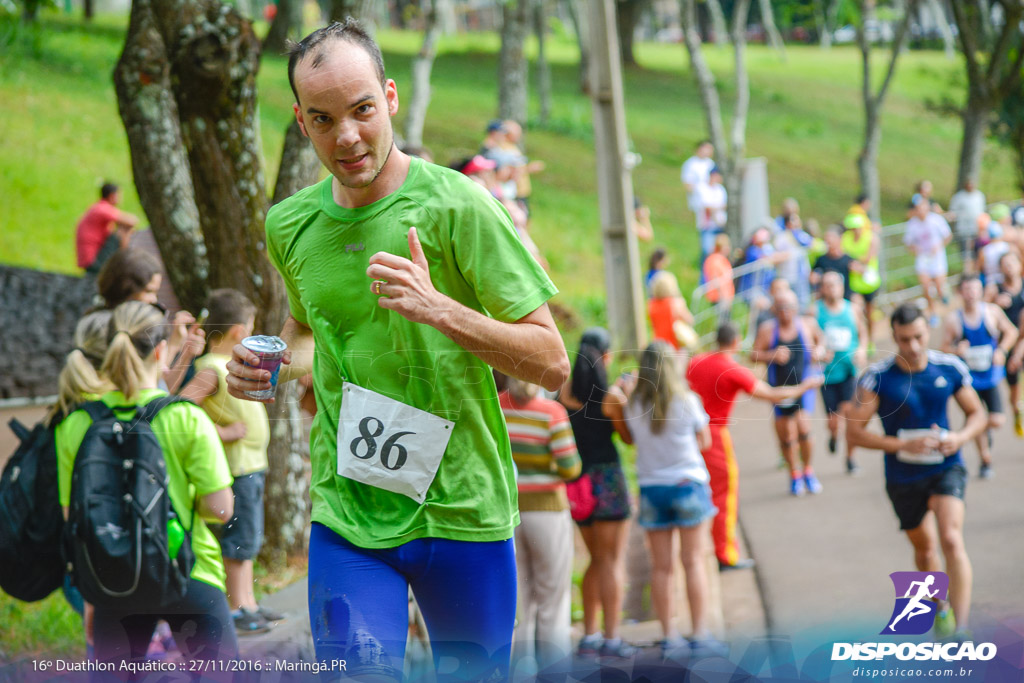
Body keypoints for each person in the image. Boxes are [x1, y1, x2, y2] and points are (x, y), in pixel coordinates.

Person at [224, 21, 569, 682]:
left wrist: (441, 308)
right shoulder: (290, 224)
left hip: (462, 512)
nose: (346, 137)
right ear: (301, 122)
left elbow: (551, 361)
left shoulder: (460, 206)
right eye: (323, 119)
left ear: (390, 98)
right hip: (349, 512)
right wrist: (267, 366)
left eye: (362, 111)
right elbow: (307, 335)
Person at [55, 301, 237, 668]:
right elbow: (222, 509)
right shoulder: (185, 417)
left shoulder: (75, 424)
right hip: (187, 570)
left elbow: (73, 516)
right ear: (159, 350)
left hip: (111, 582)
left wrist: (92, 598)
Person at [847, 304, 987, 641]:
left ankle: (962, 629)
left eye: (919, 337)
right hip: (902, 477)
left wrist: (960, 438)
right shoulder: (877, 377)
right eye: (905, 339)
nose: (913, 345)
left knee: (951, 538)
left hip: (945, 468)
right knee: (925, 551)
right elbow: (854, 433)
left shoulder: (949, 367)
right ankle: (941, 607)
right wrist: (900, 446)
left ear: (929, 332)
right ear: (894, 336)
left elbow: (977, 415)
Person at [605, 342, 726, 659]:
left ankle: (669, 637)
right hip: (687, 483)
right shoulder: (688, 400)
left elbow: (629, 440)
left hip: (652, 488)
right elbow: (705, 440)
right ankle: (700, 632)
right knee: (693, 561)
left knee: (662, 567)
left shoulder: (634, 405)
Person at [179, 289, 283, 635]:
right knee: (239, 540)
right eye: (251, 327)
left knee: (249, 537)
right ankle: (237, 609)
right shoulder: (210, 369)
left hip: (251, 466)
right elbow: (180, 409)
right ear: (239, 331)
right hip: (236, 469)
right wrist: (221, 433)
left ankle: (249, 602)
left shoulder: (233, 366)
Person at [686, 323, 822, 569]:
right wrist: (805, 387)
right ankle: (726, 554)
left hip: (691, 433)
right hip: (715, 435)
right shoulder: (731, 369)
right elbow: (772, 394)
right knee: (723, 492)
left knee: (703, 489)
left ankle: (711, 547)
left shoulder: (697, 360)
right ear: (736, 342)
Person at [559, 329, 634, 659]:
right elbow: (628, 438)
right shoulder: (610, 398)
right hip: (608, 481)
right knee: (612, 560)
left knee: (593, 559)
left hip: (578, 483)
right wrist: (625, 395)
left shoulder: (563, 395)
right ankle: (612, 637)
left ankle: (589, 635)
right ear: (605, 357)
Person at [499, 377, 581, 672]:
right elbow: (570, 467)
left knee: (518, 600)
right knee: (553, 600)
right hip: (548, 512)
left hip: (507, 514)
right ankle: (555, 672)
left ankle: (520, 672)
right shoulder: (552, 412)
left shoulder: (495, 406)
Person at [91, 247, 205, 395]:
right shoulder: (110, 329)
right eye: (149, 291)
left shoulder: (125, 325)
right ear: (126, 289)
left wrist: (181, 348)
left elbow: (159, 389)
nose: (154, 300)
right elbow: (149, 388)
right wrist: (172, 345)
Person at [939, 276, 1017, 479]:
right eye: (966, 288)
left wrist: (1001, 350)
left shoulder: (991, 312)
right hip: (968, 381)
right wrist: (956, 349)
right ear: (960, 292)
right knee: (976, 415)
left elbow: (1011, 331)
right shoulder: (954, 319)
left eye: (975, 288)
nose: (971, 293)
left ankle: (979, 429)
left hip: (990, 377)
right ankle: (985, 459)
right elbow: (943, 348)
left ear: (981, 290)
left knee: (996, 420)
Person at [750, 289, 827, 496]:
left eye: (789, 307)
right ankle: (794, 474)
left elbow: (822, 340)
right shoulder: (768, 330)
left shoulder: (806, 324)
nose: (785, 312)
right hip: (780, 390)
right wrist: (771, 355)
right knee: (787, 436)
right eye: (781, 307)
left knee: (804, 430)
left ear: (796, 307)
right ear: (774, 309)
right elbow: (753, 355)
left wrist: (819, 350)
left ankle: (808, 471)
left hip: (804, 387)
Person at [816, 272, 867, 474]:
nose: (831, 289)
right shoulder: (816, 311)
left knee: (849, 414)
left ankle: (850, 458)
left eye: (835, 284)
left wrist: (862, 349)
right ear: (822, 288)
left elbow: (863, 333)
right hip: (827, 373)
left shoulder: (852, 309)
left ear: (841, 286)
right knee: (834, 420)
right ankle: (833, 435)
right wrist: (817, 351)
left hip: (849, 370)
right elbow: (810, 338)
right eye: (827, 285)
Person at [990, 252, 1024, 437]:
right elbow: (982, 313)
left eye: (1012, 262)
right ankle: (1016, 411)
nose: (1009, 267)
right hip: (1006, 345)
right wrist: (994, 303)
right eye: (1005, 264)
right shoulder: (996, 290)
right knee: (1014, 389)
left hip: (1021, 342)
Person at [904, 196, 953, 327]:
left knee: (939, 287)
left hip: (937, 258)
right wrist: (915, 249)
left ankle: (944, 293)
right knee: (926, 287)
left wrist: (939, 246)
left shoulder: (936, 220)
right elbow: (908, 243)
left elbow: (948, 235)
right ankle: (933, 313)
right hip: (923, 258)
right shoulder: (912, 224)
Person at [75, 182, 140, 274]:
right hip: (93, 259)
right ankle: (125, 261)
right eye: (119, 195)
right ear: (112, 196)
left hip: (91, 257)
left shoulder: (97, 207)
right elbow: (131, 221)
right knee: (123, 230)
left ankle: (124, 260)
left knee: (121, 229)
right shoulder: (103, 208)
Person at [841, 212, 881, 355]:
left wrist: (855, 263)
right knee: (857, 312)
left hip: (870, 283)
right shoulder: (846, 239)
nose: (854, 231)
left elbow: (868, 257)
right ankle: (860, 341)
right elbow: (846, 257)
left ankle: (871, 340)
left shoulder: (871, 238)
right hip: (855, 284)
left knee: (870, 313)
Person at [774, 212, 813, 310]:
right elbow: (775, 255)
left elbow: (811, 244)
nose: (797, 223)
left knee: (803, 302)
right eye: (794, 220)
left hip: (801, 275)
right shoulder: (782, 238)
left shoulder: (802, 236)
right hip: (787, 275)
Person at [648, 271, 696, 351]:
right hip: (673, 344)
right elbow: (690, 320)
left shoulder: (651, 304)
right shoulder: (675, 303)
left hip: (658, 343)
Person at [948, 179, 986, 267]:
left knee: (976, 251)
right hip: (964, 228)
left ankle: (976, 268)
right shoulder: (959, 197)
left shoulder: (979, 195)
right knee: (965, 252)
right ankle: (967, 270)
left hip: (977, 228)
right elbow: (953, 211)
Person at [811, 227, 855, 301]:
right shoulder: (821, 259)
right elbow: (812, 277)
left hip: (846, 299)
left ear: (839, 239)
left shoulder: (849, 260)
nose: (829, 242)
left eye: (831, 239)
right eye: (827, 240)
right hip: (826, 300)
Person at [696, 167, 727, 260]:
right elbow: (707, 207)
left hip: (720, 224)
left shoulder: (720, 189)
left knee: (719, 252)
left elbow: (724, 205)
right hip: (707, 225)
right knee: (707, 251)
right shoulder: (702, 188)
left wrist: (715, 207)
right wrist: (717, 207)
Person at [681, 140, 715, 220]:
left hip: (712, 199)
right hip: (698, 200)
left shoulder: (711, 164)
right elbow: (687, 183)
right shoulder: (691, 164)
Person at [702, 233, 735, 315]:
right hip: (719, 298)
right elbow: (716, 280)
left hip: (725, 297)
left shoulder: (721, 259)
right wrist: (723, 298)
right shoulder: (716, 260)